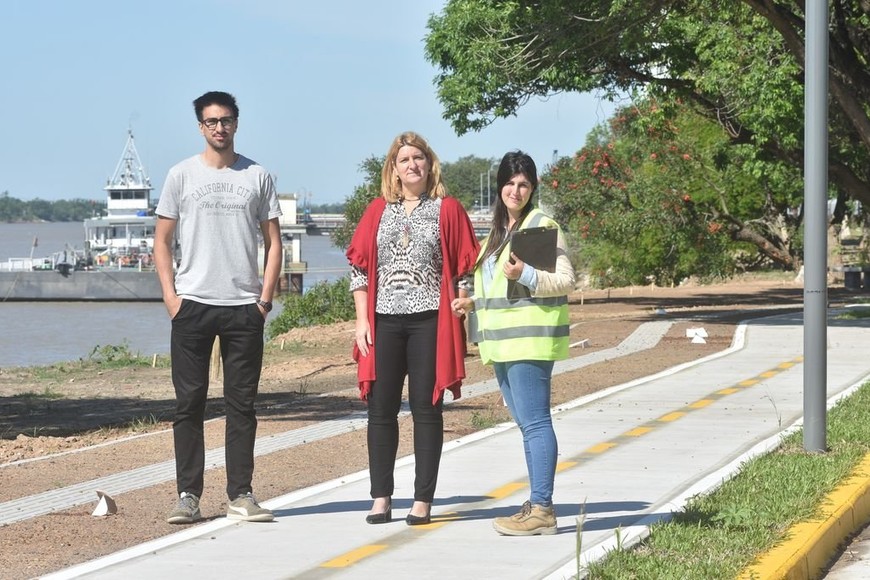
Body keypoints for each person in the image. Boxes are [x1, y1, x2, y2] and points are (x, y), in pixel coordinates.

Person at [153, 91, 283, 525]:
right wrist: (172, 298)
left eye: (226, 120)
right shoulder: (181, 176)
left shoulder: (258, 176)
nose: (219, 128)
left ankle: (241, 493)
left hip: (244, 307)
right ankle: (188, 495)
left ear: (236, 123)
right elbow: (162, 241)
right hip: (193, 306)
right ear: (200, 126)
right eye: (211, 121)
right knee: (189, 403)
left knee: (241, 405)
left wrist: (264, 301)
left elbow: (274, 242)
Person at [346, 131, 479, 525]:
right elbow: (358, 268)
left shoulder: (446, 209)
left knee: (426, 408)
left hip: (429, 323)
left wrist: (463, 300)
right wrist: (361, 319)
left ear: (429, 163)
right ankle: (381, 498)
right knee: (381, 410)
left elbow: (465, 264)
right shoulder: (377, 211)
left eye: (418, 158)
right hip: (384, 321)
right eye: (404, 160)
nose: (412, 165)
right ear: (394, 168)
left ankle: (422, 500)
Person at [451, 151, 575, 536]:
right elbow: (505, 292)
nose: (515, 190)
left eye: (523, 184)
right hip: (503, 345)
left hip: (530, 342)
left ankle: (542, 509)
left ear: (532, 187)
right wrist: (473, 302)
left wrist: (529, 273)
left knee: (536, 423)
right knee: (527, 424)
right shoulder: (498, 233)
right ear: (500, 186)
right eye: (509, 183)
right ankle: (537, 504)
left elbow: (566, 279)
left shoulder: (540, 225)